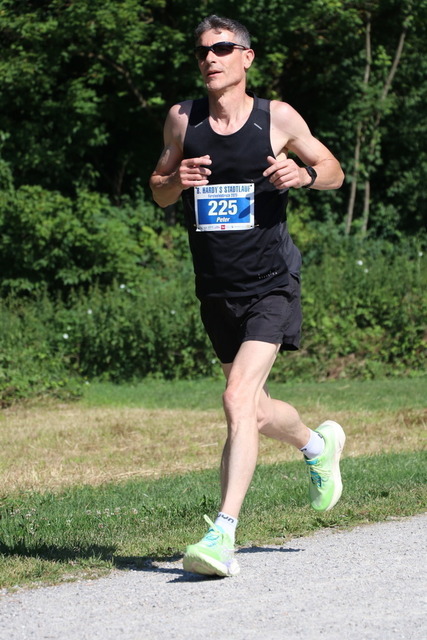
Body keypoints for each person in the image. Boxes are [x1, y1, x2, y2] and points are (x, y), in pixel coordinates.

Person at [149, 15, 346, 577]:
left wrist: (303, 177)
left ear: (246, 57)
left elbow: (332, 169)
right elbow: (159, 190)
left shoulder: (275, 117)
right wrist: (176, 180)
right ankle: (317, 446)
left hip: (271, 282)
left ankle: (222, 534)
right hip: (216, 288)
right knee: (255, 409)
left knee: (236, 398)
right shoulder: (182, 119)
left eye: (222, 48)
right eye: (202, 52)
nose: (210, 58)